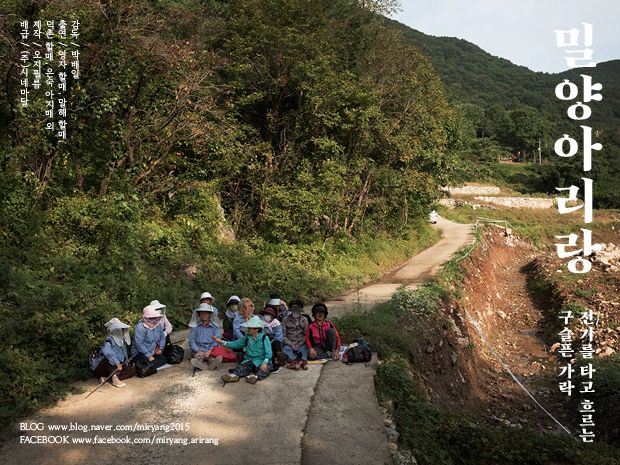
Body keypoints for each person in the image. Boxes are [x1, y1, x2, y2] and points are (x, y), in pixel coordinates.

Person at [213, 316, 273, 384]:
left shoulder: (264, 338)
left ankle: (255, 377)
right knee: (241, 368)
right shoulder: (246, 337)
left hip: (261, 360)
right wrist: (221, 342)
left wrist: (265, 362)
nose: (248, 329)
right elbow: (235, 344)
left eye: (250, 328)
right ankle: (233, 376)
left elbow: (268, 353)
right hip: (249, 360)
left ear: (256, 329)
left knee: (266, 368)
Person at [91, 318, 136, 387]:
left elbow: (124, 354)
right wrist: (116, 362)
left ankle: (107, 378)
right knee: (108, 360)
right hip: (103, 367)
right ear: (115, 330)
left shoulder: (121, 340)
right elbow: (107, 352)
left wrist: (125, 363)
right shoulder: (109, 340)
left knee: (132, 371)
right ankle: (114, 379)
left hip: (114, 367)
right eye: (121, 329)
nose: (123, 330)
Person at [188, 303, 224, 371]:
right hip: (198, 349)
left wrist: (210, 351)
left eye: (206, 313)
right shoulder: (195, 326)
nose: (204, 315)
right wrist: (198, 350)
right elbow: (191, 340)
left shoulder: (215, 327)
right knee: (198, 357)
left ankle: (213, 363)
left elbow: (217, 340)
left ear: (210, 314)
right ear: (199, 315)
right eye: (202, 313)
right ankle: (199, 364)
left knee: (212, 357)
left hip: (210, 349)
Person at [282, 299, 309, 370]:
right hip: (289, 343)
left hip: (301, 343)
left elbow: (306, 335)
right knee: (286, 349)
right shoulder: (285, 319)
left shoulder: (305, 320)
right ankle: (294, 361)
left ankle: (301, 361)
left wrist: (300, 344)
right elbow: (283, 335)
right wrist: (291, 344)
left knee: (304, 349)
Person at [259, 306, 283, 373]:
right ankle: (268, 363)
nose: (267, 316)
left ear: (272, 316)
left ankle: (277, 362)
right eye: (265, 314)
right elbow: (262, 335)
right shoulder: (263, 324)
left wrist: (271, 342)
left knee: (276, 344)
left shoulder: (276, 323)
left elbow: (279, 336)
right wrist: (266, 341)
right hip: (266, 340)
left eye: (268, 315)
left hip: (275, 341)